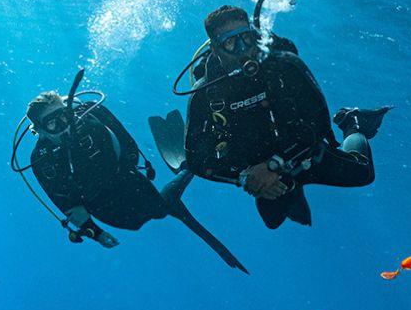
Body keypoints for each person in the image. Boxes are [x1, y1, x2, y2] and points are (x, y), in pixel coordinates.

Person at [172, 5, 390, 229]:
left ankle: (352, 123)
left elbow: (320, 124)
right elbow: (197, 161)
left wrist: (276, 164)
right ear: (216, 50)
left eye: (246, 38)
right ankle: (290, 188)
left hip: (302, 150)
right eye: (230, 42)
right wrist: (244, 177)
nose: (243, 49)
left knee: (363, 173)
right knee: (273, 221)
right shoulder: (205, 93)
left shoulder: (285, 65)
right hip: (254, 168)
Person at [20, 90, 248, 272]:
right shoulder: (43, 160)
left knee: (163, 209)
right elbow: (67, 204)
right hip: (105, 209)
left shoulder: (91, 116)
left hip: (129, 183)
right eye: (53, 124)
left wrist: (129, 170)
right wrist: (96, 234)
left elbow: (128, 145)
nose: (64, 124)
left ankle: (190, 167)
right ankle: (186, 170)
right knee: (144, 218)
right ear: (38, 130)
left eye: (65, 115)